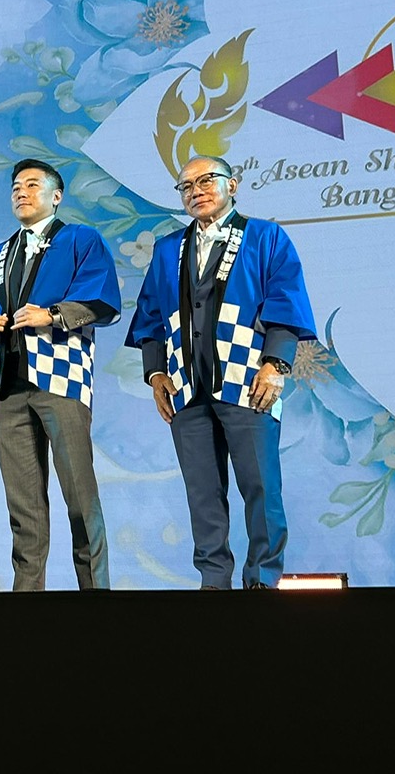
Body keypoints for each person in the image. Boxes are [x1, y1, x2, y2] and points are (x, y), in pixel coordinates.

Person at [124, 154, 316, 590]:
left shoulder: (265, 237)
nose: (196, 191)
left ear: (233, 184)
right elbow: (150, 315)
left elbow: (285, 301)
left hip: (248, 381)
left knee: (261, 487)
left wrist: (276, 364)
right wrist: (155, 373)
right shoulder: (168, 249)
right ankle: (213, 581)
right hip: (186, 386)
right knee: (202, 493)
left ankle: (262, 578)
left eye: (207, 180)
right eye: (186, 186)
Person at [0, 159, 121, 592]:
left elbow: (103, 299)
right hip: (7, 386)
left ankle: (97, 594)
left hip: (61, 380)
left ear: (56, 196)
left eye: (32, 184)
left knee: (79, 496)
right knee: (23, 506)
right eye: (16, 186)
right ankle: (27, 598)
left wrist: (51, 315)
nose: (21, 192)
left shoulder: (80, 239)